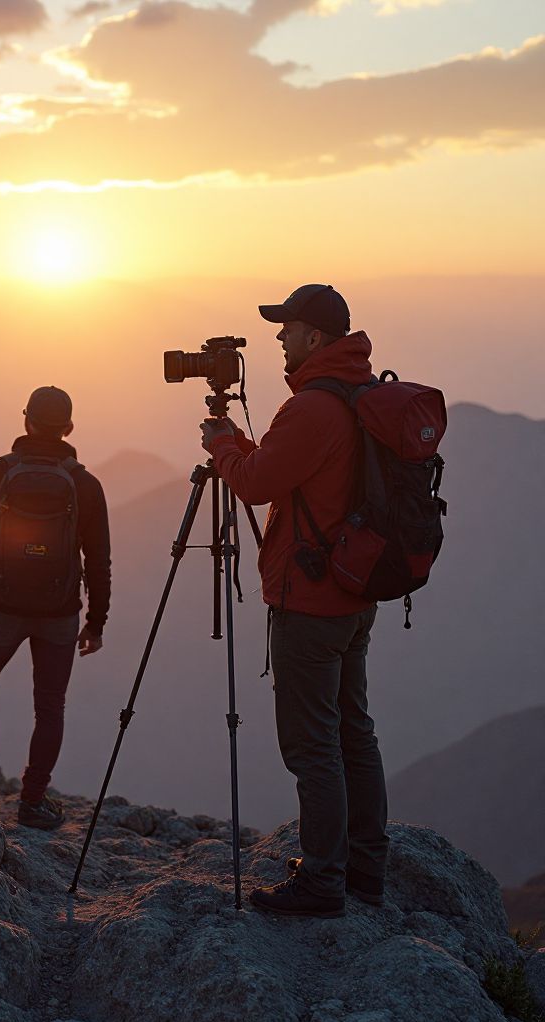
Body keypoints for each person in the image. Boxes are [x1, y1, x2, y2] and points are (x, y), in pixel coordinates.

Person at [200, 284, 388, 918]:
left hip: (311, 603)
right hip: (355, 593)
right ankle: (364, 868)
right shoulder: (358, 393)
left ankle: (323, 882)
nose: (278, 339)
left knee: (313, 746)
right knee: (353, 733)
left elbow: (254, 484)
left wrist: (222, 443)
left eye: (288, 329)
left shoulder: (312, 408)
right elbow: (291, 474)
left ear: (315, 338)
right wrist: (246, 451)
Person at [0, 386, 111, 830]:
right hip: (61, 612)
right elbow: (99, 559)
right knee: (50, 706)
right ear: (69, 427)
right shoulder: (85, 484)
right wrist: (96, 622)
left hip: (4, 606)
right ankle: (32, 802)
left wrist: (0, 538)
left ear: (26, 420)